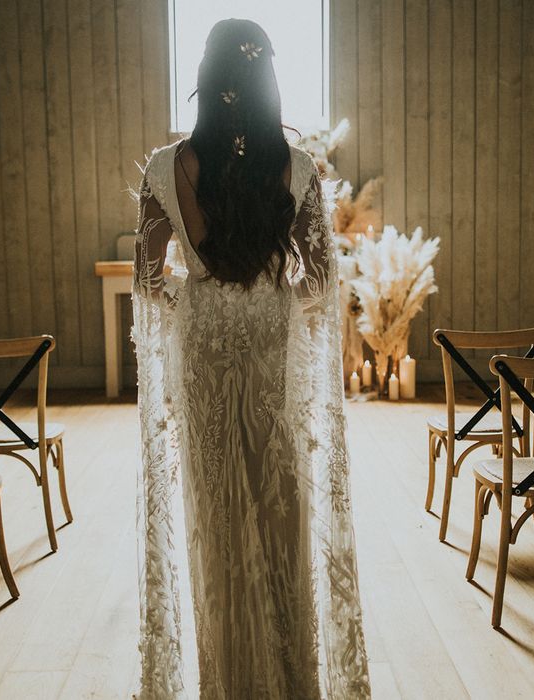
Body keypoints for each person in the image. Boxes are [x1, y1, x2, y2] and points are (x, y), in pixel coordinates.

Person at [132, 18, 370, 699]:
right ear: (267, 79)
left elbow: (148, 280)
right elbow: (322, 282)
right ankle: (292, 680)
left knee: (215, 514)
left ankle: (227, 682)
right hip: (269, 343)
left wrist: (196, 301)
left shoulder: (165, 167)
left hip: (204, 346)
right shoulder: (295, 168)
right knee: (279, 502)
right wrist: (271, 298)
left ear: (205, 82)